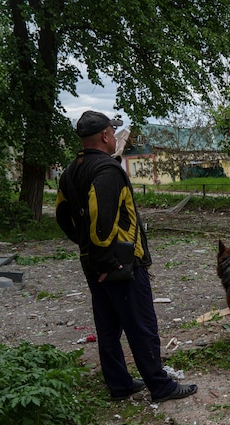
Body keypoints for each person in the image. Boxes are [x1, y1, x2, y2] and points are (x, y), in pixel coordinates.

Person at [56, 110, 197, 403]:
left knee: (108, 327)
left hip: (93, 263)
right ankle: (160, 386)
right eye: (112, 131)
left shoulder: (71, 170)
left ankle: (119, 385)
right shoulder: (107, 170)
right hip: (120, 265)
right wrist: (107, 261)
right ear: (106, 135)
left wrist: (84, 247)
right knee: (142, 325)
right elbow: (100, 220)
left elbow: (61, 215)